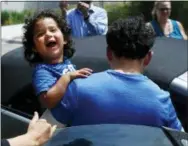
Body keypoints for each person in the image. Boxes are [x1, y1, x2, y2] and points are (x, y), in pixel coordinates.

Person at [50, 15, 183, 131]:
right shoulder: (162, 100)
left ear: (108, 53)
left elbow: (44, 131)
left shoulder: (78, 89)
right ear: (148, 58)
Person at [22, 9, 92, 110]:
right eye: (40, 34)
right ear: (34, 47)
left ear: (65, 39)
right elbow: (47, 101)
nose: (48, 34)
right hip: (59, 122)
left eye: (53, 30)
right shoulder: (42, 71)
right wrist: (66, 78)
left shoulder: (66, 62)